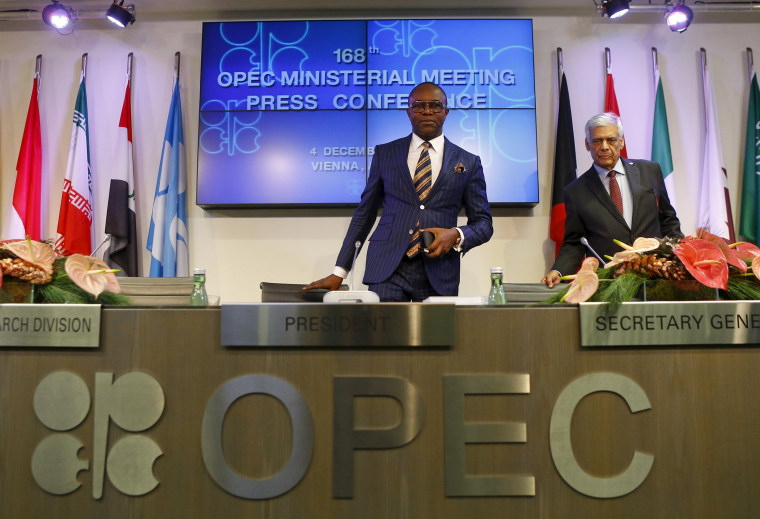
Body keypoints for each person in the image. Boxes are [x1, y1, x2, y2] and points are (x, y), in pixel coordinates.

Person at [305, 82, 493, 301]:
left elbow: (483, 223)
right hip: (387, 267)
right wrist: (340, 272)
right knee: (387, 335)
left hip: (440, 270)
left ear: (446, 112)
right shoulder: (386, 153)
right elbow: (364, 214)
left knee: (435, 336)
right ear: (408, 112)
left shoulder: (468, 162)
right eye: (419, 106)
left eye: (435, 105)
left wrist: (456, 235)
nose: (427, 111)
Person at [542, 112, 682, 288]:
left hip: (656, 278)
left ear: (621, 142)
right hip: (611, 284)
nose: (605, 147)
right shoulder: (576, 192)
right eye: (597, 141)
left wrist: (678, 255)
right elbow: (574, 243)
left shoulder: (649, 171)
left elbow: (669, 220)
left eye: (611, 140)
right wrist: (558, 271)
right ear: (587, 144)